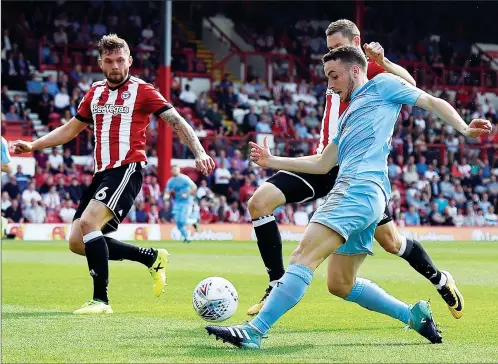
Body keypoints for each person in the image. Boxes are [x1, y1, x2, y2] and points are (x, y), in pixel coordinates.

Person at [205, 45, 492, 348]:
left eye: (334, 75)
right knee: (340, 283)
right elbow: (323, 163)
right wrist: (271, 161)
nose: (330, 84)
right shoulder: (348, 115)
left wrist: (463, 128)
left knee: (303, 256)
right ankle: (414, 316)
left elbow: (430, 101)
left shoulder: (382, 85)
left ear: (355, 70)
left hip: (358, 188)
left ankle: (254, 331)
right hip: (367, 195)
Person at [246, 19, 462, 321]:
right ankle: (275, 283)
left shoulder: (364, 70)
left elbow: (412, 86)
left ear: (355, 43)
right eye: (329, 49)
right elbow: (325, 156)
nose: (332, 55)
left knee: (392, 242)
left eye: (337, 47)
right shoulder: (336, 72)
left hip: (354, 173)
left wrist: (383, 61)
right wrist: (271, 160)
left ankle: (440, 280)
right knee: (259, 201)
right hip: (325, 162)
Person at [13, 34, 215, 315]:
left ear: (130, 60)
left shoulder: (142, 90)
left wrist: (199, 151)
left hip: (127, 169)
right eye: (109, 61)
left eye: (121, 60)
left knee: (89, 222)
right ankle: (151, 257)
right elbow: (70, 129)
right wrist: (34, 144)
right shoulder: (95, 92)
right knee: (76, 242)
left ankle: (101, 301)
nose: (116, 66)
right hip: (101, 174)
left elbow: (176, 121)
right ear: (101, 63)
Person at [165, 165, 197, 243]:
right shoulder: (171, 181)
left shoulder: (184, 178)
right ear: (171, 171)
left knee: (183, 220)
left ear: (179, 170)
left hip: (187, 202)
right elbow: (167, 191)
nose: (175, 171)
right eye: (174, 169)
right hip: (177, 203)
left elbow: (194, 187)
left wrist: (187, 194)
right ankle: (187, 237)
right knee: (178, 223)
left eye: (176, 169)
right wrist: (166, 200)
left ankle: (194, 221)